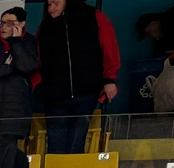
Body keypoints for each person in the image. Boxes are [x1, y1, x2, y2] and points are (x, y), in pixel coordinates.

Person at [36, 0, 120, 155]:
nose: (51, 7)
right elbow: (37, 60)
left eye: (55, 3)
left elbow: (109, 47)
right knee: (55, 146)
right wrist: (38, 87)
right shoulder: (45, 27)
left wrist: (109, 79)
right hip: (54, 97)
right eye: (48, 5)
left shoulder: (93, 16)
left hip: (85, 93)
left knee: (76, 143)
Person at [0, 7, 41, 137]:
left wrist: (16, 42)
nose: (4, 27)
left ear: (22, 24)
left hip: (15, 107)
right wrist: (9, 69)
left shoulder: (30, 42)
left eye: (10, 23)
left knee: (7, 149)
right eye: (2, 23)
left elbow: (28, 66)